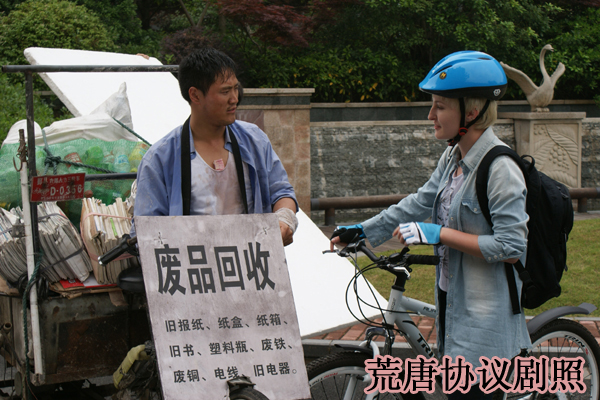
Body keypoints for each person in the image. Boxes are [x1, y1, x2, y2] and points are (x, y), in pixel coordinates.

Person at [330, 51, 531, 399]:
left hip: (485, 321)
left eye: (440, 106)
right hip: (452, 305)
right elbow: (420, 201)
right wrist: (364, 229)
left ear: (471, 111)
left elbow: (512, 248)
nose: (430, 115)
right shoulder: (454, 156)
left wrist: (440, 234)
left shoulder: (501, 169)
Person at [134, 47, 298, 245]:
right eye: (225, 91)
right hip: (193, 262)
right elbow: (146, 232)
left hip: (251, 259)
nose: (234, 98)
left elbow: (281, 192)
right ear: (195, 95)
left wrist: (284, 219)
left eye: (235, 88)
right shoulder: (160, 159)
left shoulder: (254, 140)